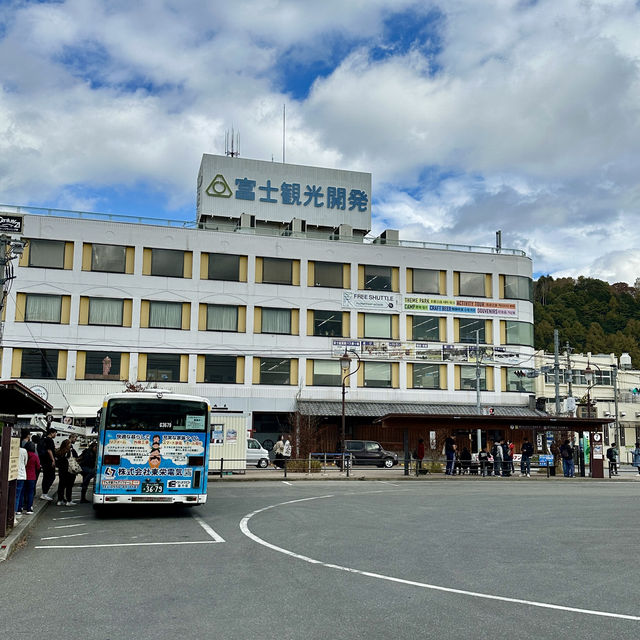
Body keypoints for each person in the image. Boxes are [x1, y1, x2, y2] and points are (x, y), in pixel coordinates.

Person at [55, 439, 78, 506]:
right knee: (69, 486)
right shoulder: (71, 451)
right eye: (69, 443)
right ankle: (69, 500)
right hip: (70, 471)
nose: (70, 445)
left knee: (61, 485)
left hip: (62, 471)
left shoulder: (59, 451)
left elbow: (57, 462)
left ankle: (60, 500)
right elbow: (76, 458)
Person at [38, 427, 57, 501]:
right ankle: (44, 493)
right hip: (49, 461)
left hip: (44, 461)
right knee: (51, 477)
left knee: (46, 477)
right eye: (55, 433)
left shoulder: (44, 439)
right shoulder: (50, 440)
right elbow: (49, 450)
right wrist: (53, 460)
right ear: (51, 433)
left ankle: (44, 493)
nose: (55, 434)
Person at [23, 442, 41, 514]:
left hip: (24, 475)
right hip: (32, 476)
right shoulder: (35, 456)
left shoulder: (24, 454)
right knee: (31, 492)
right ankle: (29, 508)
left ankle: (20, 507)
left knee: (23, 492)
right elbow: (38, 466)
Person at [14, 445, 28, 518]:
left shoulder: (5, 448)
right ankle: (16, 511)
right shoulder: (23, 451)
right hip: (21, 475)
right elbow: (25, 462)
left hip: (11, 474)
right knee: (18, 494)